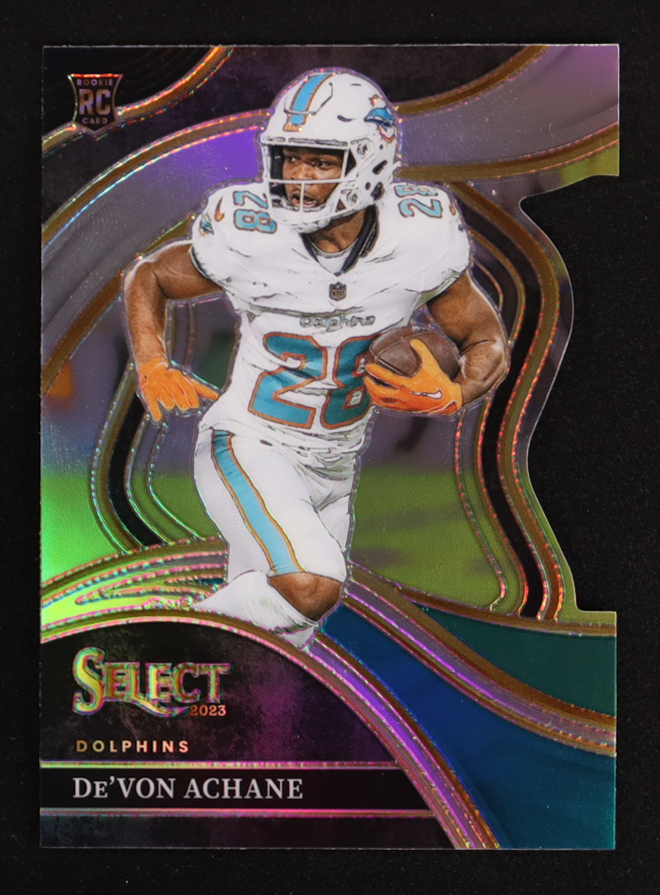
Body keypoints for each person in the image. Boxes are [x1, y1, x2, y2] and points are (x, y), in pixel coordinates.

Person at [123, 69, 508, 648]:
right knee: (311, 588)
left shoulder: (418, 237)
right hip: (252, 442)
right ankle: (142, 637)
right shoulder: (250, 232)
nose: (298, 177)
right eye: (290, 158)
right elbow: (150, 275)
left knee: (275, 643)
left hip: (336, 465)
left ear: (370, 160)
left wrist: (457, 392)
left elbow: (485, 338)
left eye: (321, 161)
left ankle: (180, 672)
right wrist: (153, 362)